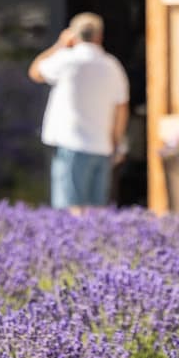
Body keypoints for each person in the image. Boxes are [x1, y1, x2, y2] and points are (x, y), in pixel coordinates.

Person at [28, 13, 130, 210]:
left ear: (73, 35)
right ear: (100, 36)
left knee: (70, 210)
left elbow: (35, 72)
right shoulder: (112, 66)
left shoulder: (66, 60)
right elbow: (121, 108)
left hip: (72, 145)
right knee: (97, 213)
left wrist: (59, 45)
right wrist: (117, 143)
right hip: (102, 147)